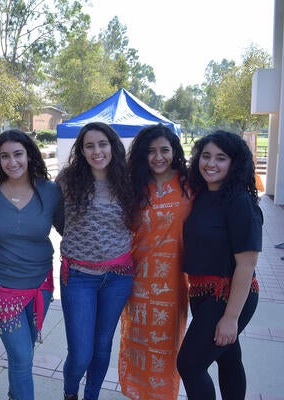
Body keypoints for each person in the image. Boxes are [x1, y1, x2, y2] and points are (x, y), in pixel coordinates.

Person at [177, 131, 262, 400]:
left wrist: (231, 318)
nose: (210, 164)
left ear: (234, 163)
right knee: (228, 358)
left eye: (220, 158)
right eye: (206, 156)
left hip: (229, 295)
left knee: (189, 365)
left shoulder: (239, 201)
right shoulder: (200, 194)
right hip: (201, 292)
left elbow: (247, 265)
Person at [0, 130, 63, 400]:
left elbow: (67, 228)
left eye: (18, 154)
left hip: (41, 283)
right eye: (5, 156)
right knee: (21, 357)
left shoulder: (50, 191)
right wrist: (4, 238)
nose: (12, 162)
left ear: (29, 155)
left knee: (25, 351)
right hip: (1, 284)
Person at [57, 122, 136, 400]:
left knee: (103, 345)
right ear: (81, 150)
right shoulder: (67, 181)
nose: (97, 151)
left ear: (113, 146)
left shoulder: (129, 180)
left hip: (119, 277)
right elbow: (59, 222)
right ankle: (70, 394)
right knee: (80, 353)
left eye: (102, 144)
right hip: (78, 276)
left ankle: (91, 396)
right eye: (89, 145)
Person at [118, 124, 192, 400]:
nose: (158, 157)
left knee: (167, 345)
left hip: (174, 281)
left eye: (164, 150)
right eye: (151, 151)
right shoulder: (134, 185)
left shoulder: (189, 184)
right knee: (136, 343)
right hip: (138, 277)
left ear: (174, 151)